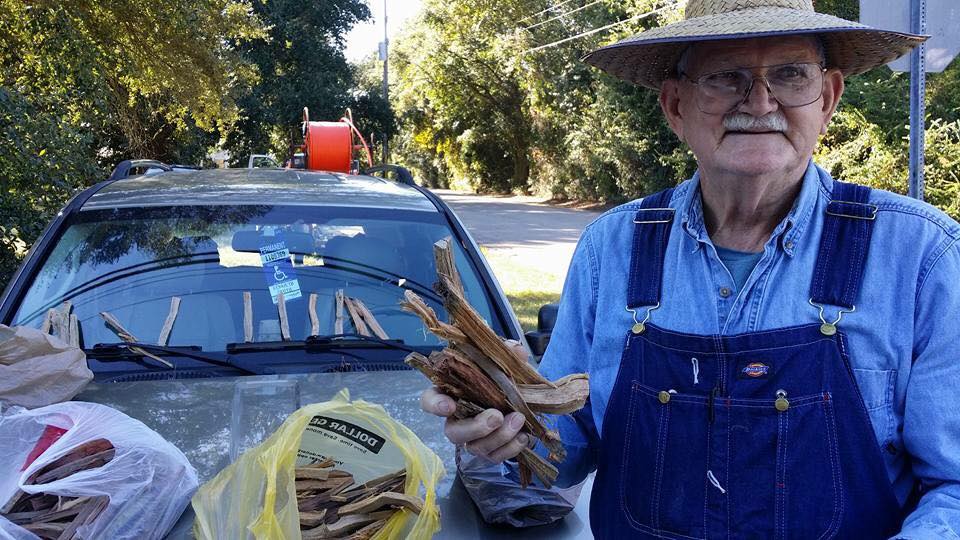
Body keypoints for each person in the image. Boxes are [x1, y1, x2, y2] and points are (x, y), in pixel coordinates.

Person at [422, 0, 960, 537]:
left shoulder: (919, 255)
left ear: (829, 98)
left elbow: (953, 488)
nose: (760, 100)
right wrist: (500, 417)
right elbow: (561, 453)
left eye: (791, 74)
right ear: (675, 105)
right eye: (726, 77)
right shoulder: (611, 250)